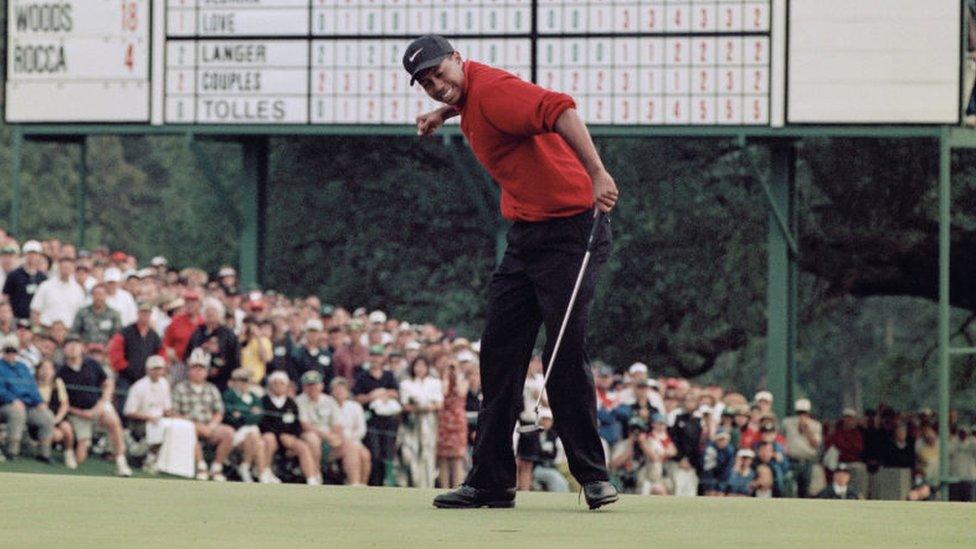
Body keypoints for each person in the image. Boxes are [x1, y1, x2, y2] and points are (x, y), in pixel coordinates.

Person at [404, 34, 620, 509]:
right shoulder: (470, 95)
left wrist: (598, 172)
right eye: (425, 84)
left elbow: (560, 108)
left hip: (572, 231)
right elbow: (474, 106)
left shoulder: (496, 88)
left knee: (563, 352)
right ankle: (492, 483)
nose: (436, 85)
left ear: (459, 60)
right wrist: (444, 113)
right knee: (500, 354)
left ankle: (593, 476)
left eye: (439, 73)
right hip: (526, 237)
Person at [58, 336, 132, 476]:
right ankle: (82, 445)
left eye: (76, 344)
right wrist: (82, 413)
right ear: (64, 350)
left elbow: (108, 383)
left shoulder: (92, 364)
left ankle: (121, 462)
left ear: (82, 348)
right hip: (77, 413)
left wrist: (102, 402)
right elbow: (62, 401)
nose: (73, 348)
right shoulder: (61, 371)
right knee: (80, 458)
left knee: (113, 422)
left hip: (98, 405)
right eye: (69, 345)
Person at [123, 355, 197, 478]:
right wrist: (149, 417)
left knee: (182, 427)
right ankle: (150, 461)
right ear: (148, 370)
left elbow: (167, 409)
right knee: (159, 428)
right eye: (155, 369)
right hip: (140, 422)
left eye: (160, 369)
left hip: (160, 420)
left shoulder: (164, 384)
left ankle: (173, 464)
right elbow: (129, 412)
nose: (158, 372)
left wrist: (177, 416)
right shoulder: (139, 386)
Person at [171, 348, 234, 481]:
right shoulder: (180, 388)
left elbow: (219, 411)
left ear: (206, 371)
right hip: (188, 426)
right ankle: (201, 466)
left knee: (229, 432)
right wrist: (195, 425)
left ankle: (216, 467)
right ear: (189, 370)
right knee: (190, 431)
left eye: (202, 368)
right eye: (195, 367)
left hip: (209, 426)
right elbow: (174, 413)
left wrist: (211, 425)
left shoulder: (211, 389)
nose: (198, 371)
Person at [260, 371, 322, 485]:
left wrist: (293, 436)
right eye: (275, 383)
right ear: (270, 385)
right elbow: (263, 423)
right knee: (269, 440)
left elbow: (296, 424)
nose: (278, 386)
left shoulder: (291, 403)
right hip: (271, 435)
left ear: (286, 386)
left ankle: (311, 478)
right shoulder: (264, 401)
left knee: (302, 447)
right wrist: (280, 435)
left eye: (281, 384)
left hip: (289, 438)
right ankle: (265, 472)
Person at [0, 335, 55, 461]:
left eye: (13, 350)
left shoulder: (23, 367)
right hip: (6, 406)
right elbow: (0, 390)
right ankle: (12, 451)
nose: (10, 354)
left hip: (28, 405)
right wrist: (12, 399)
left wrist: (40, 402)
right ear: (3, 351)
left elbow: (32, 388)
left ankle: (44, 454)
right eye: (7, 350)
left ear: (17, 352)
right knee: (17, 412)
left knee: (47, 416)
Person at [354, 348, 401, 486]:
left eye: (378, 356)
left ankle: (386, 483)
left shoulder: (388, 375)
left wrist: (384, 393)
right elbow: (357, 398)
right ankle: (374, 484)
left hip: (388, 421)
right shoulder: (362, 376)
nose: (375, 359)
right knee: (374, 454)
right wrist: (371, 396)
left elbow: (396, 393)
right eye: (373, 355)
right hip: (371, 421)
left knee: (387, 455)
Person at [399, 356, 444, 488]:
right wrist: (418, 407)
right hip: (411, 423)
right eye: (417, 366)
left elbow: (439, 404)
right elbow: (405, 405)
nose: (419, 369)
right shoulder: (406, 384)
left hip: (429, 422)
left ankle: (428, 484)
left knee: (428, 452)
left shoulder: (434, 382)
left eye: (422, 366)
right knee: (410, 453)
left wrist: (427, 407)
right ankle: (413, 483)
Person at [222, 367, 271, 483]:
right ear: (235, 381)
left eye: (246, 381)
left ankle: (248, 467)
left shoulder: (254, 397)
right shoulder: (229, 395)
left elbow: (258, 417)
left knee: (257, 439)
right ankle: (260, 471)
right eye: (241, 380)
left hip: (251, 435)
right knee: (255, 437)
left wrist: (243, 414)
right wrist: (249, 413)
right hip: (235, 433)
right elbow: (231, 417)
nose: (244, 383)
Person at [184, 298, 240, 391]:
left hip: (223, 379)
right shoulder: (198, 331)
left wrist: (232, 377)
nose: (210, 315)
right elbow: (188, 352)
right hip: (199, 378)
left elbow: (235, 357)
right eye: (207, 312)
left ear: (219, 314)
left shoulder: (228, 333)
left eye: (213, 312)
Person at [330, 376, 371, 486]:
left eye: (342, 389)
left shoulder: (355, 406)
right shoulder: (329, 405)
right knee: (353, 450)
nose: (339, 392)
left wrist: (351, 438)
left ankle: (363, 484)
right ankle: (354, 482)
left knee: (365, 455)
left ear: (347, 392)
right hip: (336, 442)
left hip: (354, 440)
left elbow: (361, 429)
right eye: (336, 389)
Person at [34, 358, 75, 468]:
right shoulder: (33, 384)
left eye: (49, 368)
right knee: (56, 435)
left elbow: (64, 404)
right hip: (41, 419)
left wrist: (57, 419)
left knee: (67, 428)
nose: (46, 371)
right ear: (37, 370)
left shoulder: (58, 383)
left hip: (55, 417)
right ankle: (40, 449)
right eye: (43, 368)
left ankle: (68, 453)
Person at [437, 358, 469, 489]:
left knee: (457, 458)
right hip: (443, 420)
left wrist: (457, 376)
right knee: (443, 458)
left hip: (457, 421)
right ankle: (444, 488)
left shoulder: (463, 380)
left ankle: (457, 488)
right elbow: (443, 393)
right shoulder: (440, 381)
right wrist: (445, 376)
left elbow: (461, 392)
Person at [781, 398, 823, 497]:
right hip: (791, 460)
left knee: (805, 489)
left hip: (807, 461)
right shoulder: (787, 423)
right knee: (789, 488)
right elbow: (781, 437)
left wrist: (806, 429)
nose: (801, 415)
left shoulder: (815, 425)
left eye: (804, 412)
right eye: (799, 412)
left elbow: (816, 444)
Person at [30, 255, 85, 328]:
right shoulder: (45, 286)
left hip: (69, 331)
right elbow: (35, 311)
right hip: (46, 329)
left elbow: (81, 315)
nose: (66, 270)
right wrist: (37, 329)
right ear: (59, 267)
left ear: (73, 269)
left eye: (68, 268)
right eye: (64, 267)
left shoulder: (78, 290)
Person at [2, 240, 47, 320]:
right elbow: (6, 297)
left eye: (35, 254)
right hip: (16, 318)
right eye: (29, 254)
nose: (32, 257)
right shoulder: (14, 275)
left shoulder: (43, 277)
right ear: (24, 255)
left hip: (35, 320)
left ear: (39, 256)